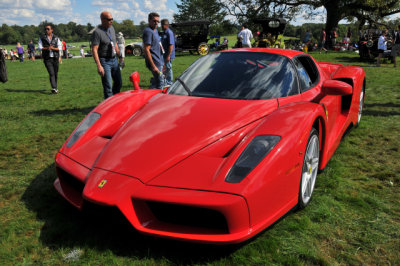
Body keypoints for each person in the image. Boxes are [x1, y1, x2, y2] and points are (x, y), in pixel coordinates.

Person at [91, 11, 123, 99]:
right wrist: (99, 65)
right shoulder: (97, 32)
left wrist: (120, 57)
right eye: (109, 19)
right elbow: (94, 49)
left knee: (118, 82)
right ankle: (109, 105)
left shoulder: (112, 28)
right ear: (102, 20)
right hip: (104, 61)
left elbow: (115, 43)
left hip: (114, 60)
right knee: (108, 86)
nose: (111, 21)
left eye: (112, 19)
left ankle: (115, 100)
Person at [38, 24, 62, 94]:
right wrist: (47, 48)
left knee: (55, 73)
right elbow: (39, 47)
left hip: (55, 57)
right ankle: (54, 88)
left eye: (48, 29)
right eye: (45, 29)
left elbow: (60, 48)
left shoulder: (56, 38)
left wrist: (53, 48)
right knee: (51, 73)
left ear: (52, 30)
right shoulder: (42, 38)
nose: (46, 30)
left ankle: (55, 87)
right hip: (47, 58)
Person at [143, 12, 164, 89]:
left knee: (157, 81)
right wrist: (153, 66)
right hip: (155, 62)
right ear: (149, 20)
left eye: (158, 21)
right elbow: (146, 49)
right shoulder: (148, 31)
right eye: (154, 21)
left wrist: (162, 61)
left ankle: (150, 96)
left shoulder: (155, 31)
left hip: (159, 61)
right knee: (160, 83)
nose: (156, 23)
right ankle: (159, 99)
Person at [161, 18, 175, 86]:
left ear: (166, 25)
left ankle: (169, 82)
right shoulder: (164, 33)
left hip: (168, 55)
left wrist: (168, 56)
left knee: (168, 68)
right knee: (165, 68)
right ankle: (166, 81)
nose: (161, 26)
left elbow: (171, 45)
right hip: (164, 54)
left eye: (162, 25)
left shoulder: (169, 33)